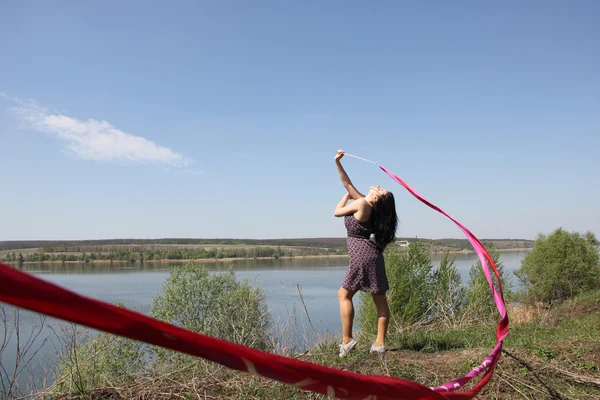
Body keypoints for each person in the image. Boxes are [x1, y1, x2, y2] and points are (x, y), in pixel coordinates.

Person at [333, 149, 398, 357]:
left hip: (362, 255)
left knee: (344, 295)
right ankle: (379, 344)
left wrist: (344, 199)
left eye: (381, 190)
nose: (378, 187)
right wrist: (338, 162)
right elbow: (347, 182)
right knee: (379, 300)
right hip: (373, 255)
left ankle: (347, 340)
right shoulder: (365, 203)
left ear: (377, 200)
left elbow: (336, 212)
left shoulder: (361, 203)